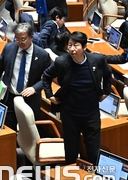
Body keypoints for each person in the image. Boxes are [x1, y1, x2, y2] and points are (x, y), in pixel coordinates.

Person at [43, 32, 112, 163]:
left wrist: (106, 92)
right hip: (70, 114)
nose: (72, 49)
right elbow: (46, 76)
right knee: (70, 150)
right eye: (70, 45)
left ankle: (94, 177)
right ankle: (71, 177)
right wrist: (50, 95)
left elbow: (108, 75)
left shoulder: (97, 60)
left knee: (93, 150)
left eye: (76, 45)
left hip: (91, 113)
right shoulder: (61, 62)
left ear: (84, 47)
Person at [0, 23, 51, 130]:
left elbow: (48, 78)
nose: (19, 42)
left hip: (30, 99)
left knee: (27, 130)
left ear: (31, 37)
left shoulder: (42, 55)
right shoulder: (9, 48)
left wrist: (35, 88)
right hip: (9, 96)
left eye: (23, 39)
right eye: (17, 39)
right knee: (8, 129)